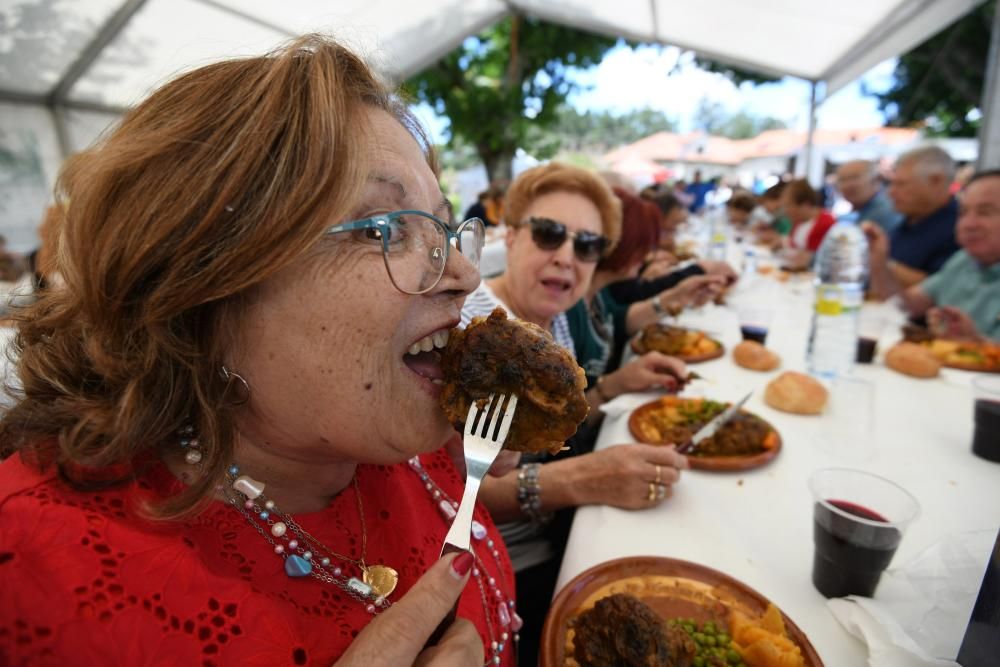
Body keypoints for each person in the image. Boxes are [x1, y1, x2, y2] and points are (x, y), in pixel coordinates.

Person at [0, 35, 522, 666]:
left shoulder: (420, 436)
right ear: (203, 288)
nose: (465, 273)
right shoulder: (35, 576)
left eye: (443, 225)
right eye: (384, 228)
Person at [462, 164, 690, 665]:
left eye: (587, 245)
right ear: (513, 237)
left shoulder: (555, 319)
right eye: (549, 235)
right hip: (496, 566)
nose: (567, 257)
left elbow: (554, 431)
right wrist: (582, 479)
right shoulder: (467, 330)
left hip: (557, 533)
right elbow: (457, 496)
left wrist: (610, 387)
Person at [866, 169, 1000, 341]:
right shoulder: (963, 261)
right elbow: (903, 306)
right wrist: (879, 261)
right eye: (963, 212)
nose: (968, 224)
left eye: (985, 212)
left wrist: (977, 344)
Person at [885, 145, 961, 286]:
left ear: (936, 181)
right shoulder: (910, 220)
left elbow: (945, 291)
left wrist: (882, 263)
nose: (891, 192)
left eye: (901, 184)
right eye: (892, 184)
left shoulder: (961, 228)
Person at [779, 178, 837, 270]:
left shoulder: (827, 223)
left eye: (788, 205)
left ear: (805, 205)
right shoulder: (798, 222)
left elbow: (830, 259)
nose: (786, 211)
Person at [835, 159, 902, 233]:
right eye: (842, 180)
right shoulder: (864, 211)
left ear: (876, 180)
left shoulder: (883, 214)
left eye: (855, 177)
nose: (848, 185)